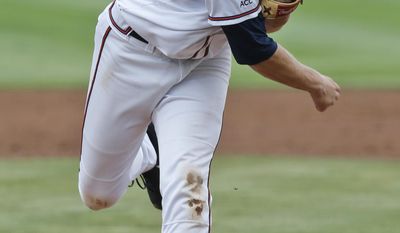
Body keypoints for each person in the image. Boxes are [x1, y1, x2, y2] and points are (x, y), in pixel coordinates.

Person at [78, 0, 341, 232]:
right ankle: (152, 152)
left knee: (190, 197)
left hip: (204, 65)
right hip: (130, 50)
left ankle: (165, 159)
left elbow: (262, 24)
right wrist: (316, 83)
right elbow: (253, 49)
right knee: (98, 195)